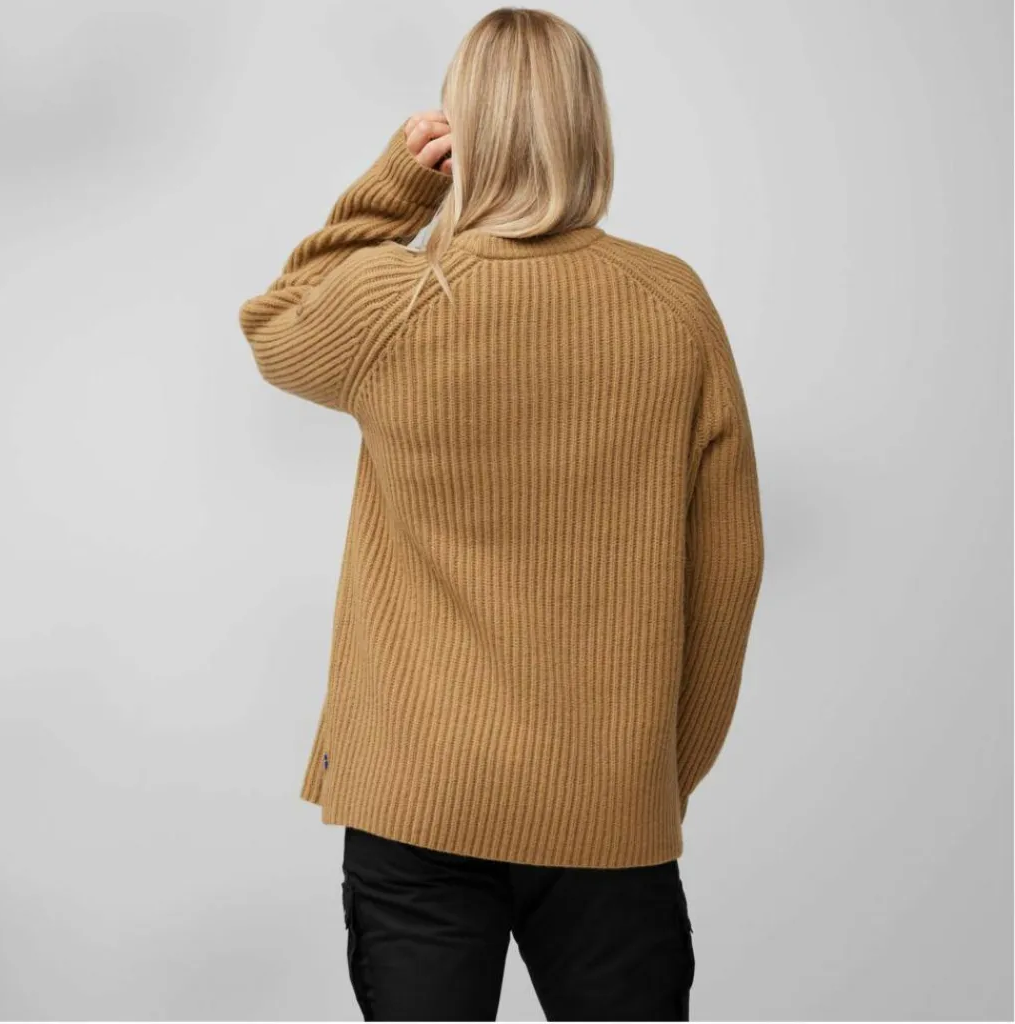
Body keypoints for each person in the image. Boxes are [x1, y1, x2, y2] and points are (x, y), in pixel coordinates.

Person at [238, 7, 764, 1021]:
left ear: (464, 128)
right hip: (608, 802)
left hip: (417, 800)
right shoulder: (672, 303)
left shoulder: (397, 299)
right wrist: (649, 779)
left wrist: (396, 188)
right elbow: (728, 572)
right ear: (587, 124)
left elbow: (277, 320)